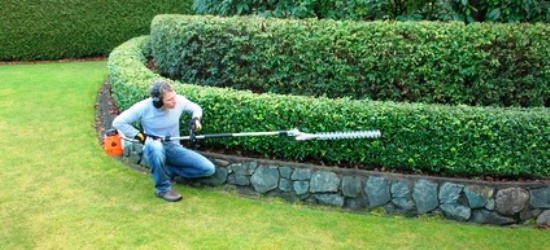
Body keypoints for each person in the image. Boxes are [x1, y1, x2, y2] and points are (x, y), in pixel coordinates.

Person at [112, 80, 215, 202]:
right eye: (169, 100)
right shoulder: (144, 107)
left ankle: (168, 171)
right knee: (156, 147)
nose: (174, 101)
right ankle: (163, 189)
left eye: (174, 96)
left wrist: (196, 119)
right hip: (153, 147)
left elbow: (196, 108)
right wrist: (142, 137)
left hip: (173, 148)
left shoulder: (179, 101)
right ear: (158, 102)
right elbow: (118, 122)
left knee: (208, 169)